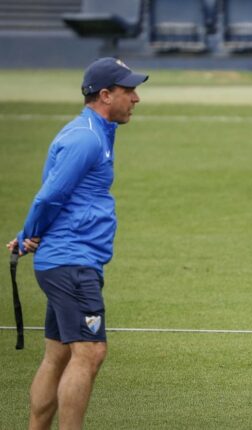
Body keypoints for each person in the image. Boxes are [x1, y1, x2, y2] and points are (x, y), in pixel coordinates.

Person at [6, 57, 148, 430]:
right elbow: (50, 195)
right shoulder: (86, 138)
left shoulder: (96, 131)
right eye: (128, 90)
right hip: (71, 263)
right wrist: (28, 234)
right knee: (90, 352)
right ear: (105, 95)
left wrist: (29, 235)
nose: (136, 98)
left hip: (70, 260)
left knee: (58, 356)